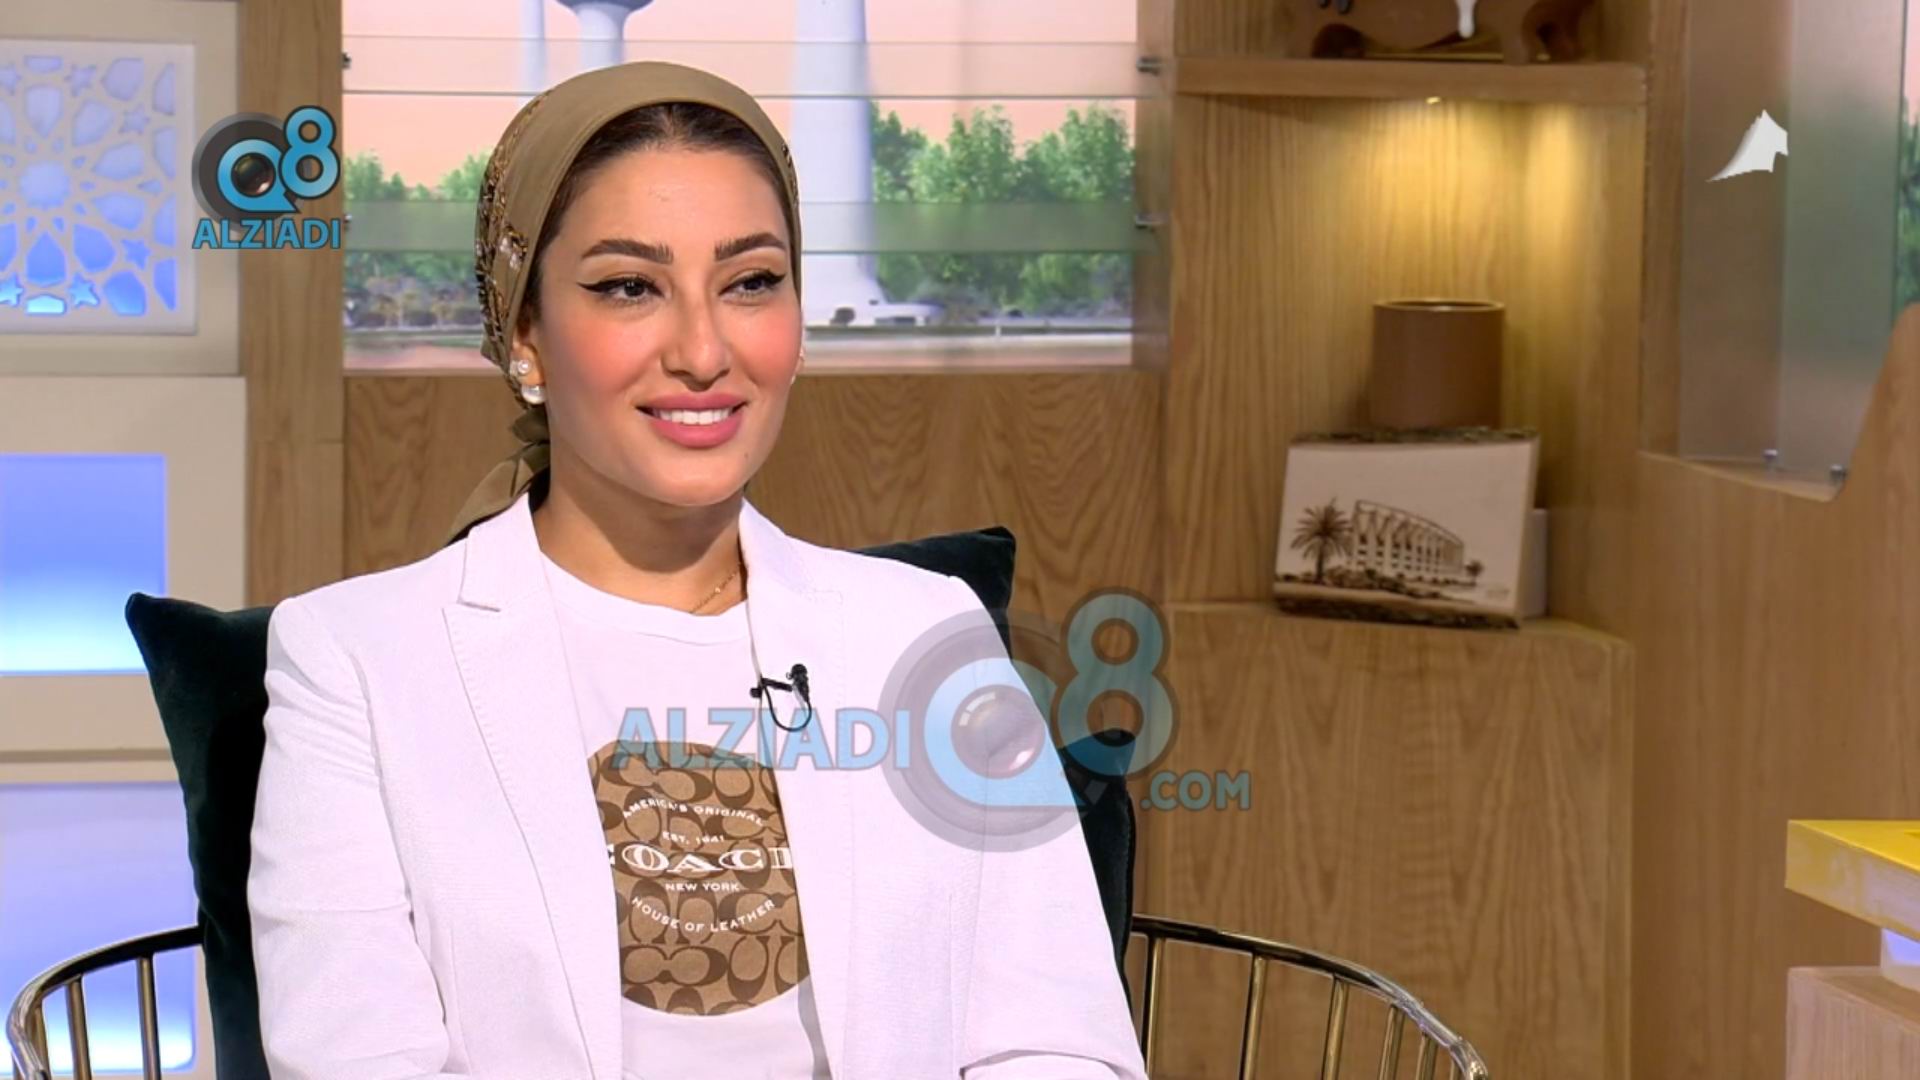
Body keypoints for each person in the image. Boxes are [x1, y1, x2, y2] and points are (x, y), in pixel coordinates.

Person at [246, 61, 1147, 1080]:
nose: (704, 350)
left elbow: (1058, 1043)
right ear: (524, 333)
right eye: (629, 286)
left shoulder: (926, 630)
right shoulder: (354, 662)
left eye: (751, 281)